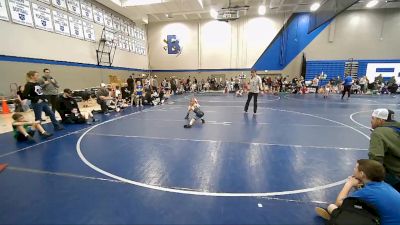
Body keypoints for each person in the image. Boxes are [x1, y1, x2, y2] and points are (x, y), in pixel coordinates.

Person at [315, 159, 400, 225]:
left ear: (362, 174)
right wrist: (358, 187)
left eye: (356, 167)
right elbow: (369, 199)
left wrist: (349, 184)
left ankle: (335, 215)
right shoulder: (384, 185)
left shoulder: (367, 191)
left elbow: (339, 203)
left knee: (332, 207)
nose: (354, 169)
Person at [368, 108, 400, 191]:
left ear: (381, 120)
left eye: (373, 118)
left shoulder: (379, 133)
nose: (371, 121)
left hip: (396, 177)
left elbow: (376, 159)